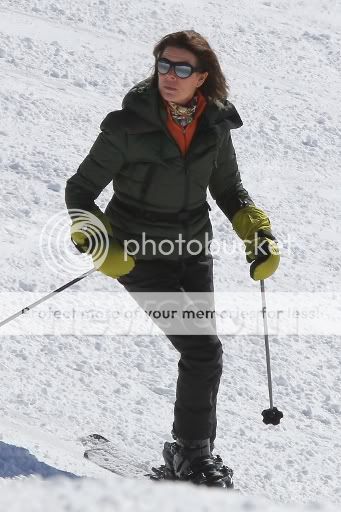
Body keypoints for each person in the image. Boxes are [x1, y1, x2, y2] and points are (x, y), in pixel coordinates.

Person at [65, 30, 280, 488]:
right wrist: (101, 246)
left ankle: (188, 451)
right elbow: (80, 190)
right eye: (164, 64)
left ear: (202, 77)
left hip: (192, 250)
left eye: (183, 68)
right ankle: (191, 456)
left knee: (202, 353)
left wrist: (256, 233)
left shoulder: (214, 125)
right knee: (203, 351)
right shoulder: (127, 126)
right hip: (138, 256)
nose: (170, 75)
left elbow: (227, 189)